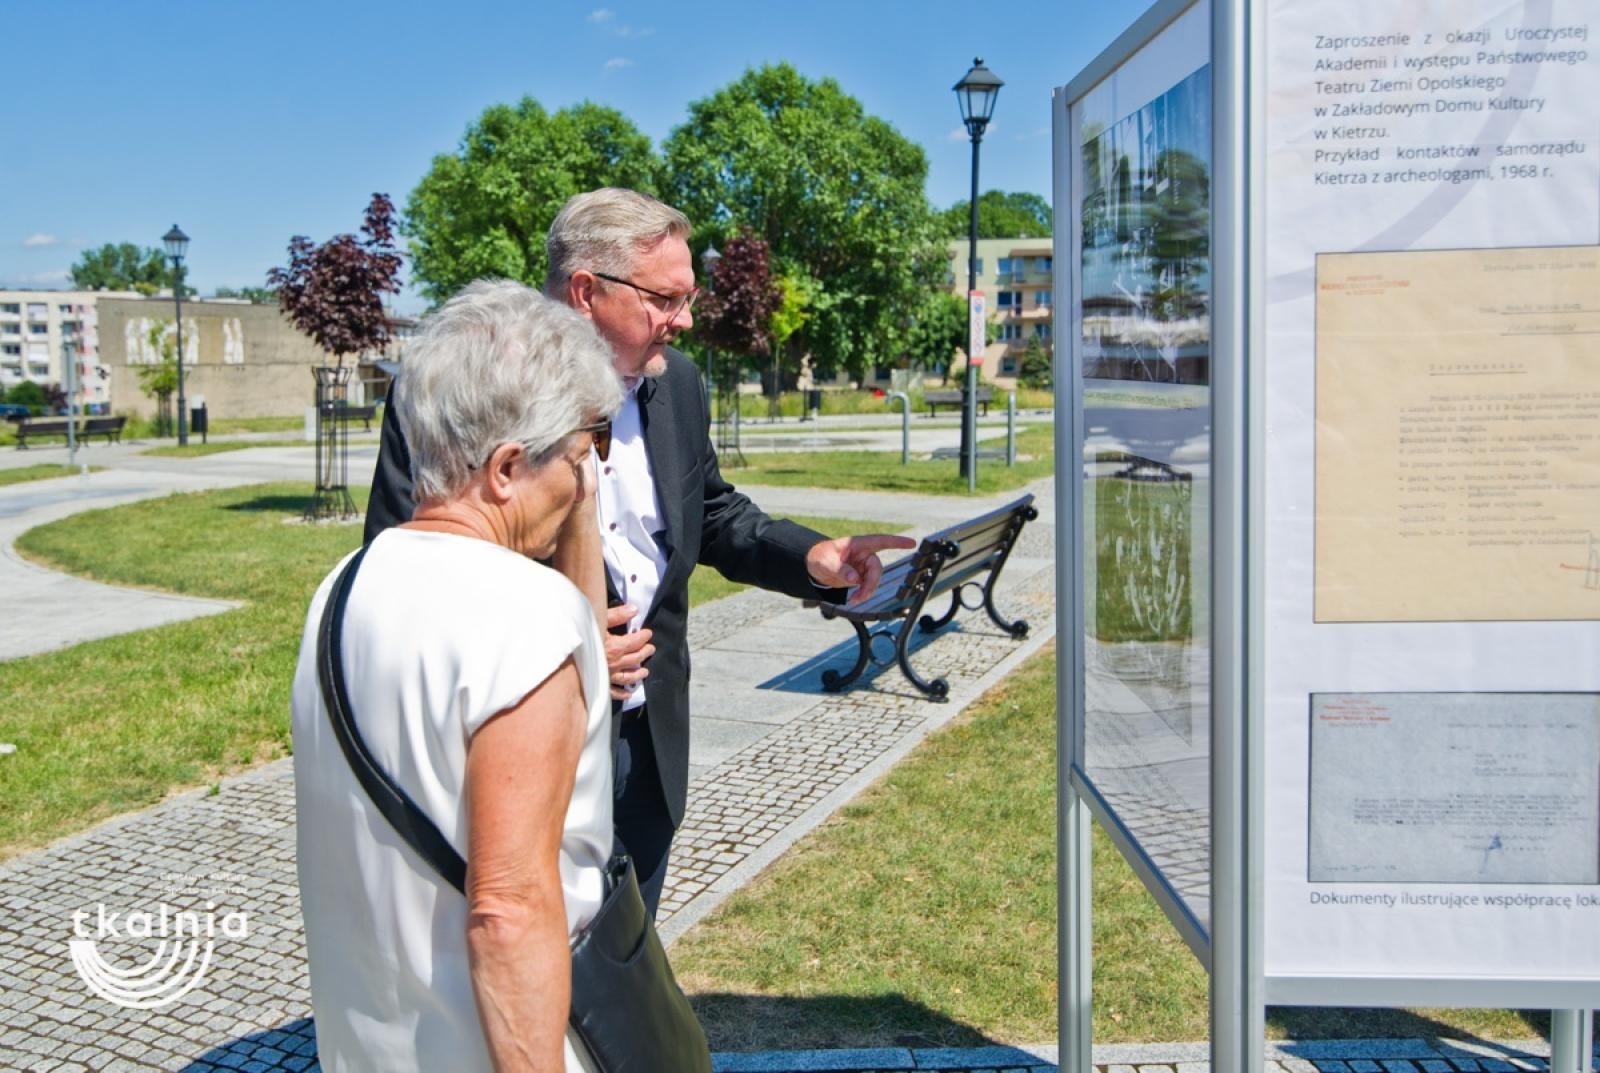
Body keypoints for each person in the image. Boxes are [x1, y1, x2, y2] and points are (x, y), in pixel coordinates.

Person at [365, 188, 914, 916]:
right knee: (518, 936)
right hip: (513, 745)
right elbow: (403, 563)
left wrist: (812, 557)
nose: (683, 321)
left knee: (625, 952)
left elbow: (710, 509)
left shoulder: (675, 383)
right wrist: (565, 642)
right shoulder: (460, 389)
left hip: (646, 745)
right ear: (587, 291)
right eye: (666, 299)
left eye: (689, 298)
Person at [293, 281, 624, 1071]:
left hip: (363, 1036)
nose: (583, 489)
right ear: (507, 466)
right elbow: (510, 908)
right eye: (580, 461)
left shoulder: (342, 584)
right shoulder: (530, 616)